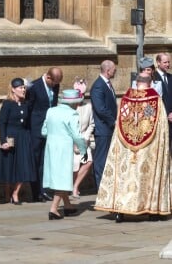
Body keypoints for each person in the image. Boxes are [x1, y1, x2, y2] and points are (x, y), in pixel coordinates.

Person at [95, 73, 171, 223]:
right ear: (150, 83)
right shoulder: (154, 100)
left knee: (125, 176)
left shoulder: (125, 99)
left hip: (125, 146)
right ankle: (151, 210)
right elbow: (159, 126)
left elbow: (121, 121)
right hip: (148, 147)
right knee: (145, 178)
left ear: (136, 82)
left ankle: (120, 211)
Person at [42, 89, 87, 220]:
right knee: (64, 178)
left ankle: (67, 205)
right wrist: (83, 150)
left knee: (60, 176)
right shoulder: (72, 114)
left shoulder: (51, 111)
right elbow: (77, 136)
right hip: (64, 148)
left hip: (50, 146)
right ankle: (54, 209)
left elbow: (44, 131)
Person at [0, 78, 36, 205]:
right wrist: (3, 141)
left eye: (24, 87)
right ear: (13, 89)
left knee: (24, 166)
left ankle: (16, 193)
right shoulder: (7, 104)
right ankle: (7, 192)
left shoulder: (26, 104)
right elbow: (2, 123)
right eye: (20, 87)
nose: (23, 90)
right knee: (9, 166)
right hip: (10, 137)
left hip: (23, 137)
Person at [27, 67, 63, 202]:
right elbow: (29, 107)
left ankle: (43, 190)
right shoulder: (34, 87)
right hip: (36, 128)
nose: (55, 86)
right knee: (35, 160)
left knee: (45, 160)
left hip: (49, 128)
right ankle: (35, 192)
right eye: (53, 83)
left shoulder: (55, 85)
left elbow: (53, 104)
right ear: (48, 77)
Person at [90, 60, 117, 191]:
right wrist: (113, 121)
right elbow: (101, 109)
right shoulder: (98, 86)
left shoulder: (106, 84)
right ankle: (101, 188)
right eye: (114, 69)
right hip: (103, 129)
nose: (115, 71)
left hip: (109, 129)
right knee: (101, 160)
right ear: (108, 71)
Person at [72, 78, 95, 199]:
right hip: (72, 140)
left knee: (88, 162)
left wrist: (86, 138)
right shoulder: (69, 108)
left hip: (84, 139)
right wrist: (74, 142)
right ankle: (72, 187)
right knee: (75, 165)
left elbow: (91, 124)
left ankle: (75, 186)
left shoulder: (88, 106)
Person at [154, 53, 172, 143]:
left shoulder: (171, 77)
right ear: (158, 62)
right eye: (165, 62)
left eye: (169, 62)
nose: (168, 65)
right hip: (160, 120)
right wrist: (165, 114)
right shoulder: (152, 77)